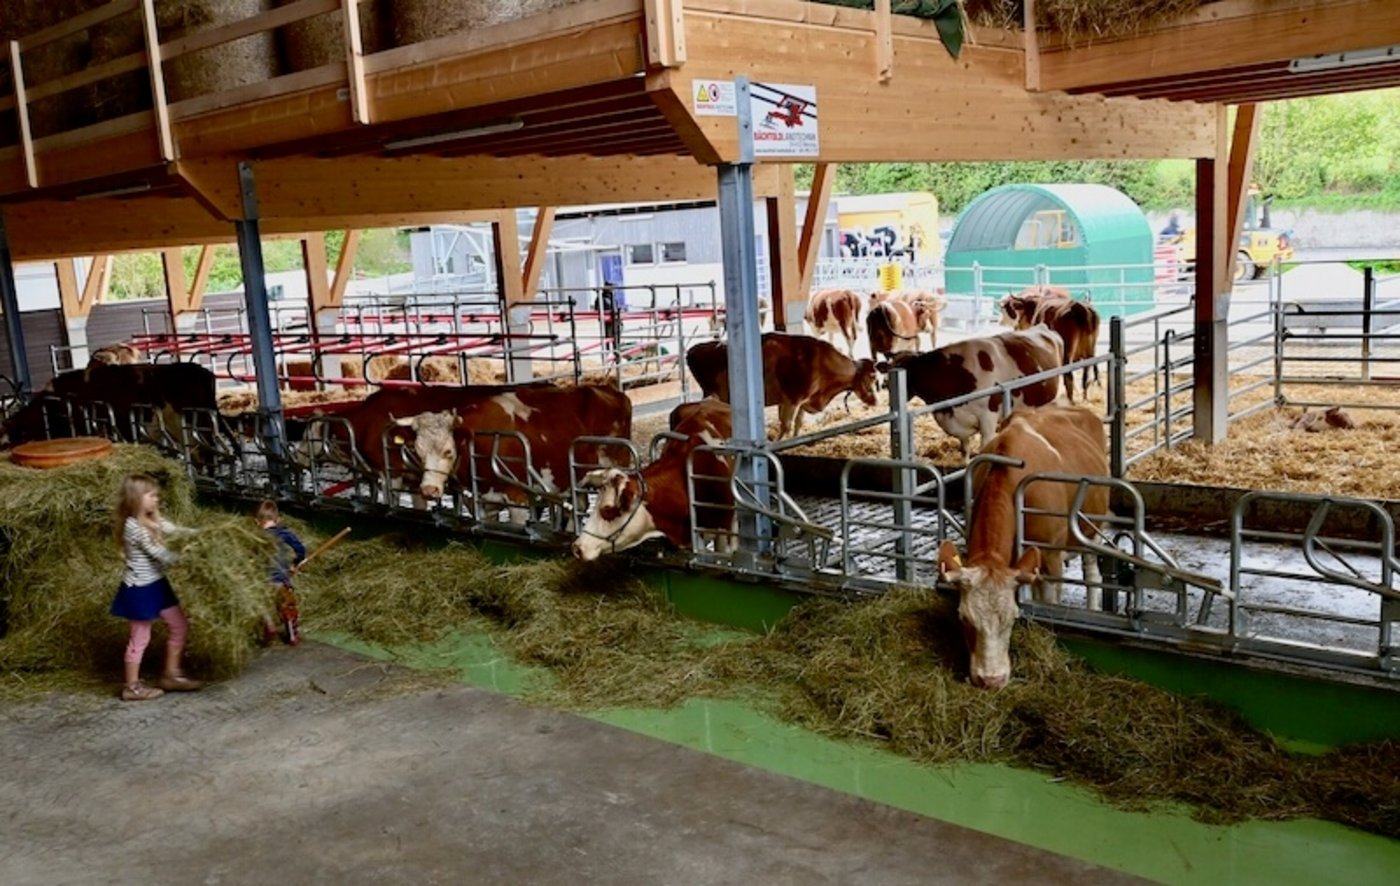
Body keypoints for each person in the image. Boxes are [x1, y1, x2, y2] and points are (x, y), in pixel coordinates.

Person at [110, 474, 202, 701]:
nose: (156, 499)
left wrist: (201, 536)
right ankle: (131, 688)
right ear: (136, 498)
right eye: (151, 495)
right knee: (140, 637)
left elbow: (173, 529)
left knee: (179, 625)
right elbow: (157, 553)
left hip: (157, 584)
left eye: (156, 495)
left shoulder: (152, 519)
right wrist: (186, 556)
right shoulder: (133, 526)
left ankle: (170, 674)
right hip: (140, 589)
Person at [256, 500, 307, 646]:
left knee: (265, 604)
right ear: (277, 520)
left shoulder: (255, 537)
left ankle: (269, 626)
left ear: (257, 522)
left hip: (263, 579)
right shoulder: (284, 533)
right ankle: (291, 635)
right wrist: (295, 563)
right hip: (281, 578)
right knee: (288, 606)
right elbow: (300, 550)